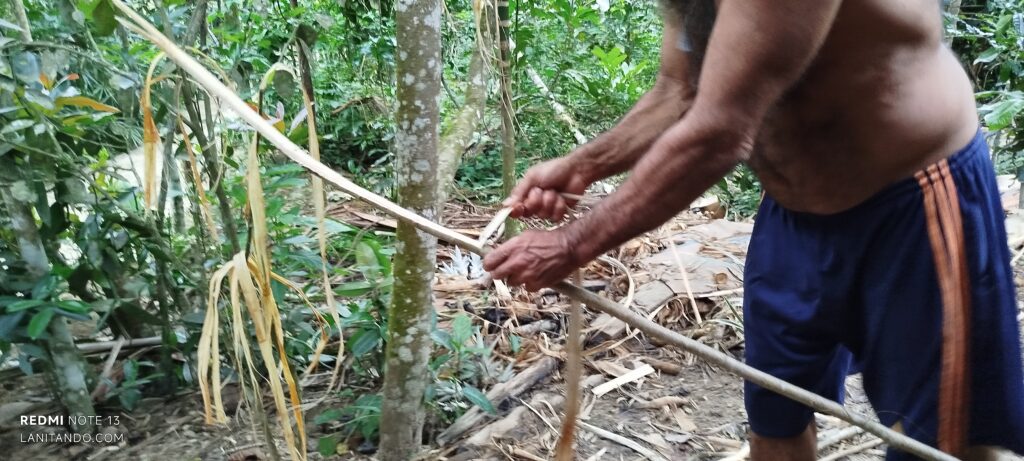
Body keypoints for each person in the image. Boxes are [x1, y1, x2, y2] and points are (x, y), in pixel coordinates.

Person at [481, 0, 1024, 459]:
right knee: (776, 418)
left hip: (914, 204)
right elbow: (679, 90)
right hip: (792, 216)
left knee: (942, 440)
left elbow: (719, 131)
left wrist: (574, 243)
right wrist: (583, 166)